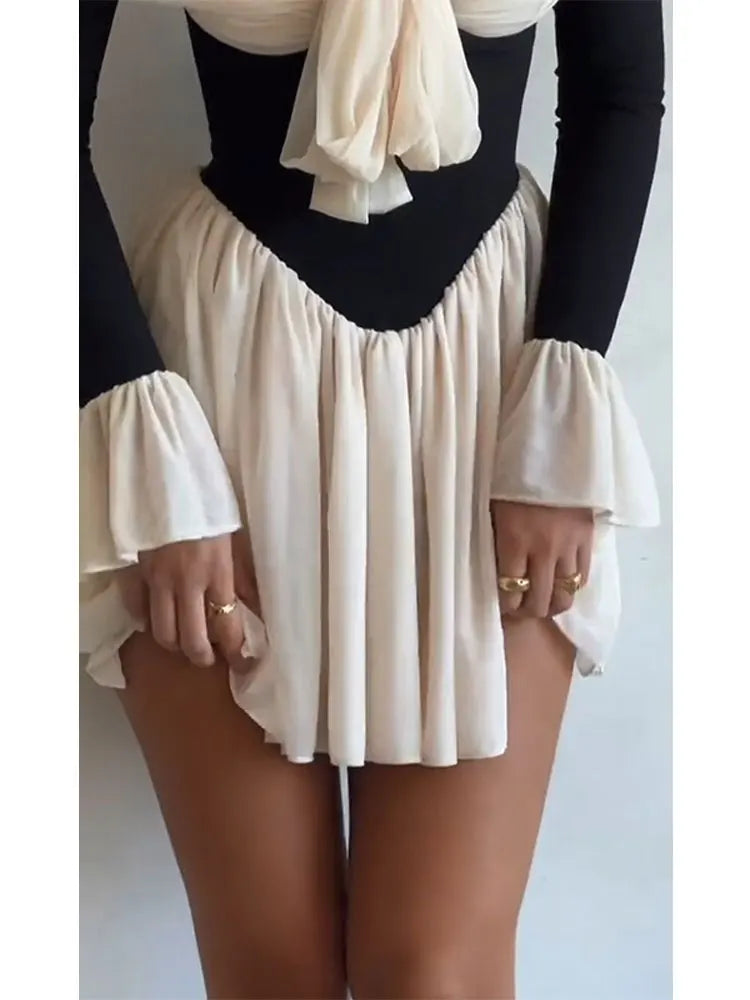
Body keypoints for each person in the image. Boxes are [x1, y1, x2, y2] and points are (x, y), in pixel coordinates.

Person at [80, 1, 665, 997]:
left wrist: (559, 414)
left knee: (435, 973)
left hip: (494, 390)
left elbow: (620, 93)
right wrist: (151, 451)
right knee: (274, 974)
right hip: (216, 386)